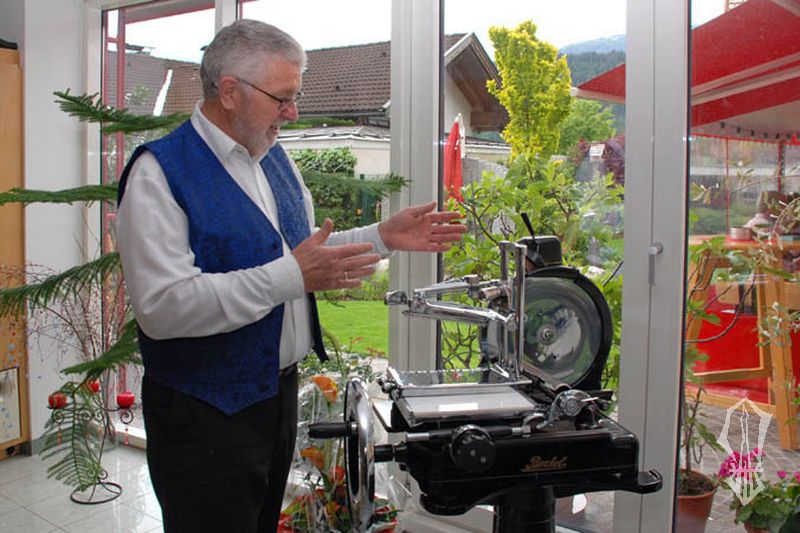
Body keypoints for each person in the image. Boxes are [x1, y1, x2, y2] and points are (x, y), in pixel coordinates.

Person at [115, 19, 466, 533]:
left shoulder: (273, 158)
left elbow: (299, 254)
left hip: (275, 399)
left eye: (294, 97)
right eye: (283, 97)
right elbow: (164, 308)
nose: (293, 112)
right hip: (202, 415)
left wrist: (382, 236)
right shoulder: (157, 174)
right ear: (229, 92)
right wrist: (291, 277)